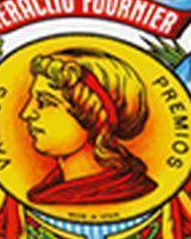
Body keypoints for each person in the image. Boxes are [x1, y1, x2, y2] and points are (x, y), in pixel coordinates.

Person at [19, 46, 157, 205]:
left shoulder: (132, 191)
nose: (26, 113)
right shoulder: (47, 191)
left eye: (46, 102)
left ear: (94, 115)